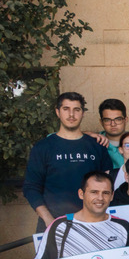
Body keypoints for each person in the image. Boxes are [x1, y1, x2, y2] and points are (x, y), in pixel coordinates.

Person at [24, 92, 114, 228]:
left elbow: (108, 186)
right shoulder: (43, 147)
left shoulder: (96, 147)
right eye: (66, 109)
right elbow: (31, 187)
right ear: (57, 112)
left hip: (93, 224)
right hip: (53, 223)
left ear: (83, 113)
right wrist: (48, 219)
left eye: (76, 110)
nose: (71, 115)